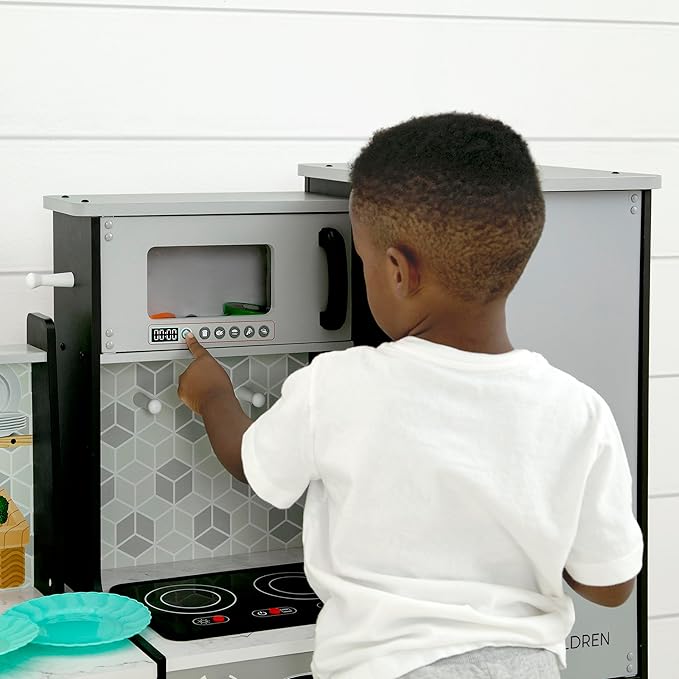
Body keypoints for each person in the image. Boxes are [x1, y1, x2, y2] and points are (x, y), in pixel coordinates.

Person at [177, 112, 643, 679]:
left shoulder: (338, 384)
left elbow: (249, 461)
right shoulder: (578, 411)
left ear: (398, 271)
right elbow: (611, 586)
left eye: (363, 261)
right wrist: (534, 528)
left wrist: (213, 393)